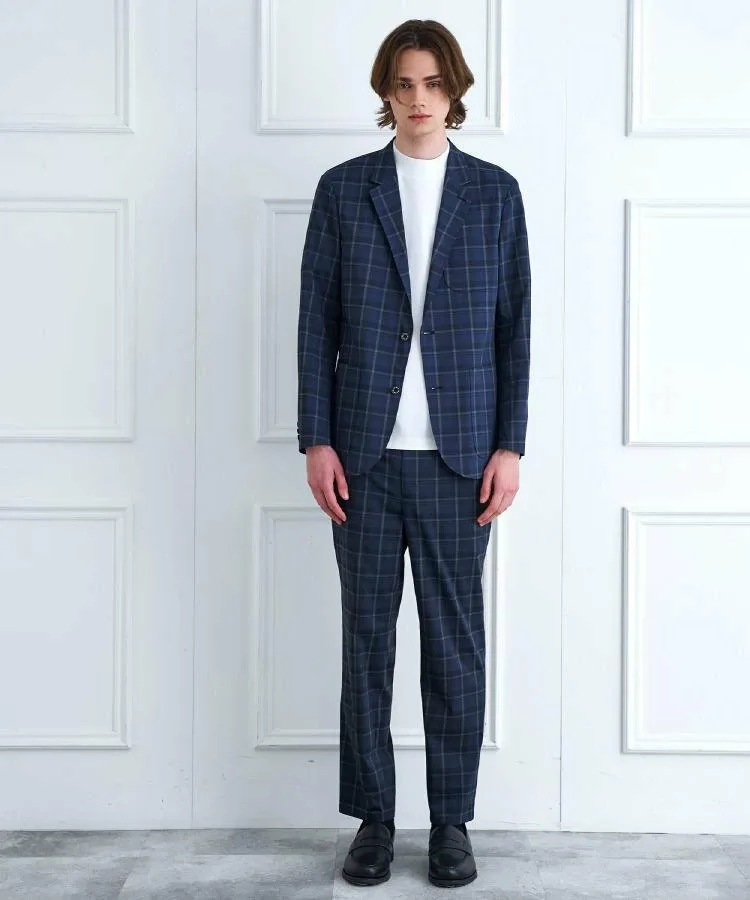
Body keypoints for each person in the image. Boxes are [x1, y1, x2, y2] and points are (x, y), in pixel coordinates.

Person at [297, 18, 530, 889]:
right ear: (386, 93)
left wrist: (510, 446)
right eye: (404, 84)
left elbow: (515, 332)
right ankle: (373, 821)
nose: (419, 99)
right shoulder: (344, 190)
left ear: (454, 91)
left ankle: (451, 823)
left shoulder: (495, 195)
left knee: (453, 650)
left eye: (433, 84)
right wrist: (316, 438)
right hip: (362, 459)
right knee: (366, 642)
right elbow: (315, 324)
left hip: (459, 462)